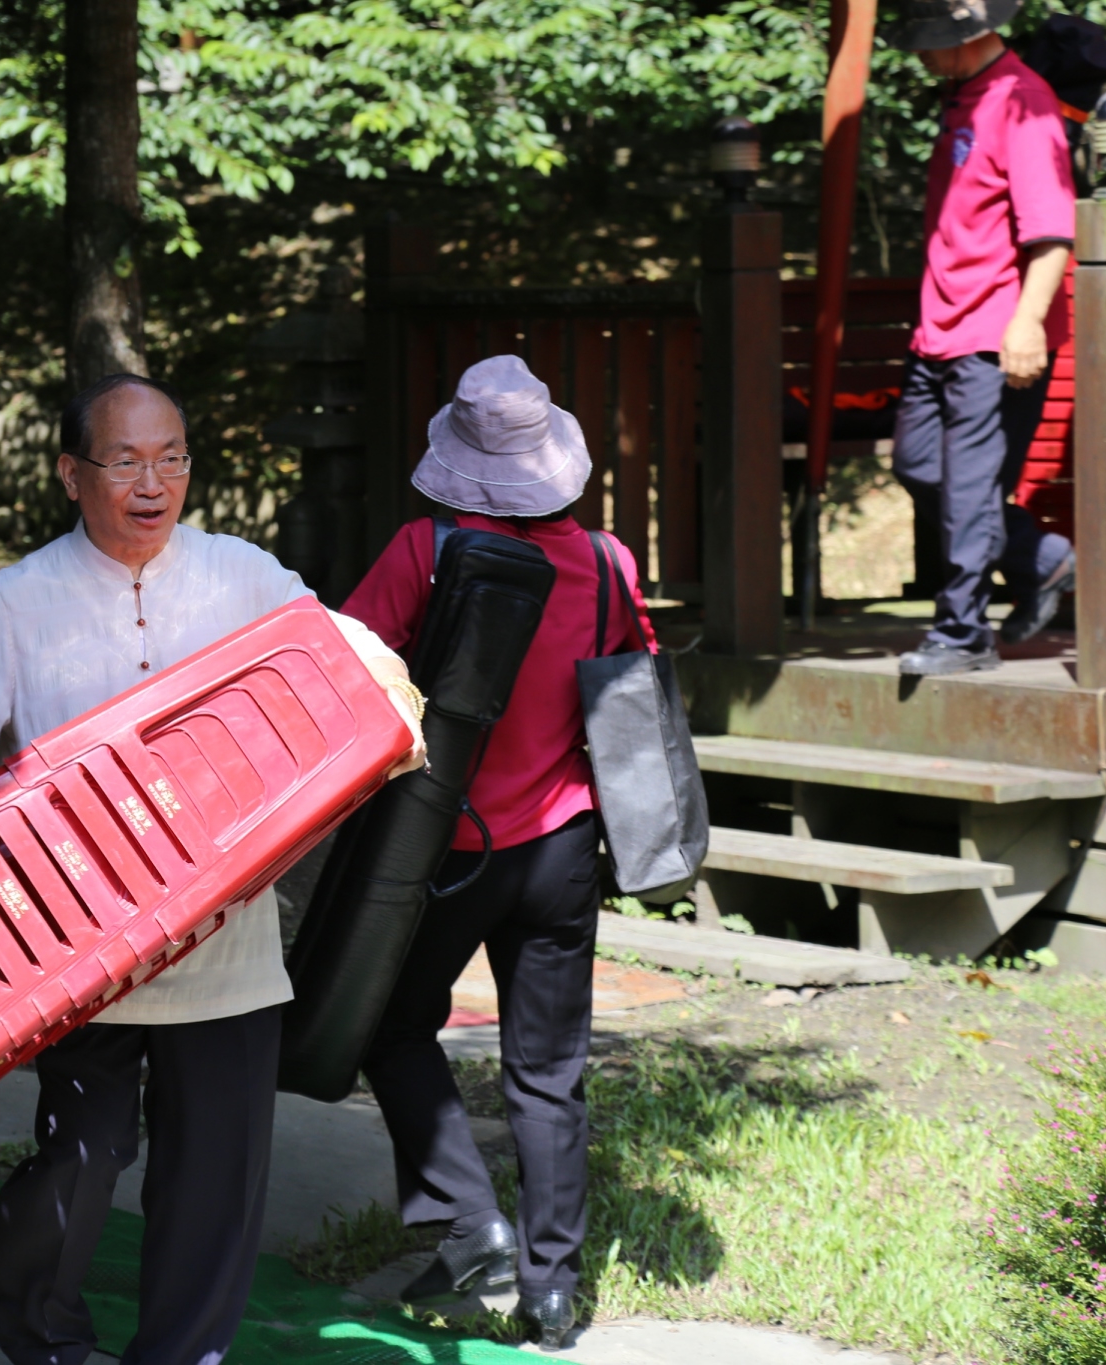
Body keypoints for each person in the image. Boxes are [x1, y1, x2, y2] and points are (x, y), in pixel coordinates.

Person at [0, 374, 424, 1365]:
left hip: (226, 952)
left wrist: (386, 699)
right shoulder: (15, 602)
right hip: (80, 955)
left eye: (172, 458)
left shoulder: (241, 575)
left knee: (214, 1182)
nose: (153, 483)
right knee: (78, 1161)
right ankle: (44, 1342)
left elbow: (339, 659)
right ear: (71, 474)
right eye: (127, 461)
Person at [336, 355, 658, 1351]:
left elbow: (346, 669)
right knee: (549, 1072)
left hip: (449, 846)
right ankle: (552, 1293)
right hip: (563, 850)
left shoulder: (426, 550)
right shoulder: (607, 560)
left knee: (390, 1024)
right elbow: (634, 687)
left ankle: (467, 1217)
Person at [890, 0, 1078, 677]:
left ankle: (963, 633)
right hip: (937, 330)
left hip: (994, 333)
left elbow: (1052, 231)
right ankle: (1040, 557)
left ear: (965, 36)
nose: (919, 54)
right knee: (918, 465)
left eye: (927, 41)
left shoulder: (1023, 102)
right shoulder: (960, 96)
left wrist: (1027, 321)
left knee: (970, 490)